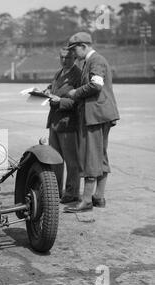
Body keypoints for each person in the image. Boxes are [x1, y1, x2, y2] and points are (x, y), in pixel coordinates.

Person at [64, 32, 120, 213]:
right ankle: (99, 196)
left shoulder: (95, 60)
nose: (73, 54)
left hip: (96, 115)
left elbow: (96, 85)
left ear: (83, 46)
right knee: (100, 155)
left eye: (74, 50)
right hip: (101, 113)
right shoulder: (92, 61)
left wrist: (76, 93)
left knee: (91, 156)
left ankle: (87, 200)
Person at [45, 48, 82, 204]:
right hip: (54, 122)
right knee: (55, 160)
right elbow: (54, 87)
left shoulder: (78, 75)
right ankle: (57, 191)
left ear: (74, 58)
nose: (64, 60)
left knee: (71, 161)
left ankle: (72, 192)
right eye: (62, 57)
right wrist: (46, 90)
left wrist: (59, 101)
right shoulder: (59, 73)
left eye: (67, 57)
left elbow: (78, 100)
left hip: (68, 123)